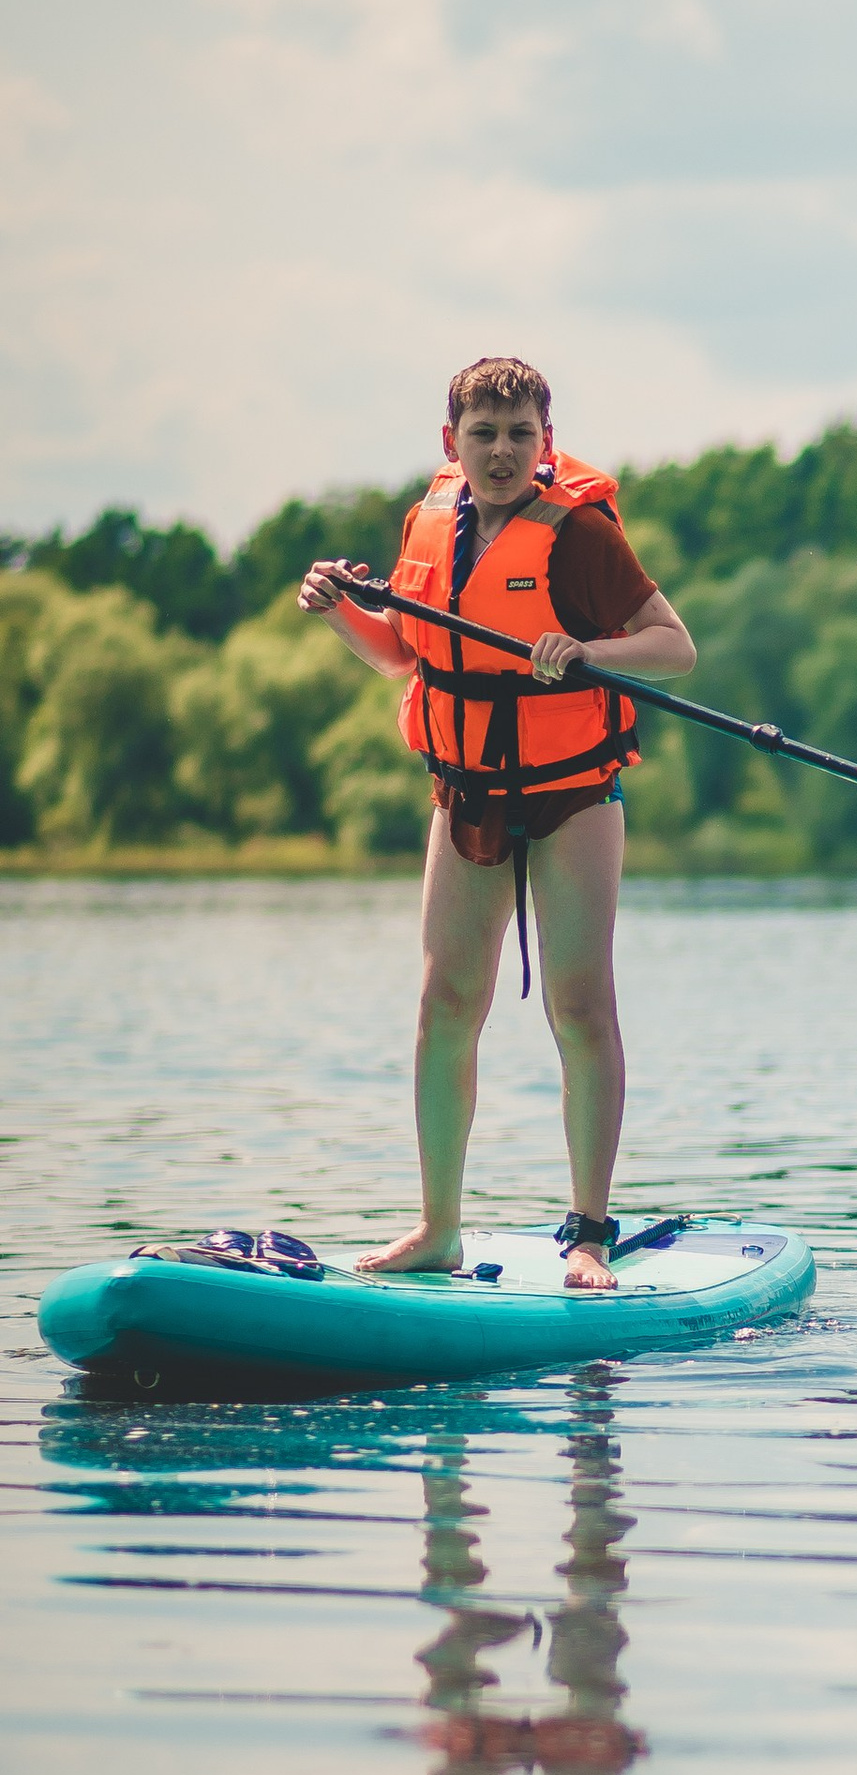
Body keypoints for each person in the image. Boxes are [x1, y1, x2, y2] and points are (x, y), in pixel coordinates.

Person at [300, 354, 696, 1287]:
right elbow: (404, 659)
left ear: (547, 443)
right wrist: (343, 613)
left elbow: (675, 649)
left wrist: (586, 648)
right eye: (484, 435)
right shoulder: (430, 524)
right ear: (453, 443)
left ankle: (590, 1234)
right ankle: (439, 1228)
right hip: (466, 791)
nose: (503, 452)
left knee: (580, 1004)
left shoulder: (582, 536)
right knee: (445, 1003)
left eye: (522, 435)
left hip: (570, 795)